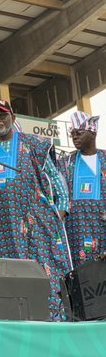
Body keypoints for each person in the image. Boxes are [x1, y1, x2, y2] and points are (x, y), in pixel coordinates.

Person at [0, 98, 71, 319]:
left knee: (41, 268)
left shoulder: (33, 144)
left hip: (35, 225)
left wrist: (62, 209)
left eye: (2, 115)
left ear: (13, 117)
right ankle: (11, 317)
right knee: (3, 274)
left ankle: (49, 316)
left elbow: (54, 178)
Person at [57, 111, 106, 266]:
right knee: (81, 277)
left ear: (92, 133)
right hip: (75, 229)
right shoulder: (64, 163)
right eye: (72, 133)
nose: (74, 136)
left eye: (79, 132)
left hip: (101, 227)